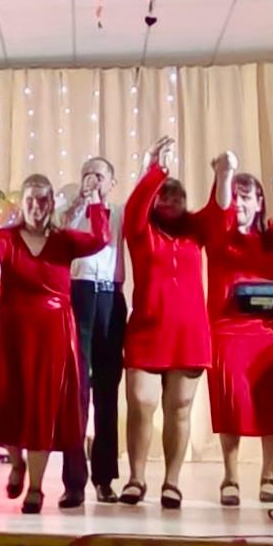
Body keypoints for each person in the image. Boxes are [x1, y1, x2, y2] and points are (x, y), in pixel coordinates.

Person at [0, 174, 110, 514]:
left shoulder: (63, 240)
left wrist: (94, 200)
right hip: (11, 331)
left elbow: (100, 239)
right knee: (7, 400)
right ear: (22, 203)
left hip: (52, 333)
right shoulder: (9, 236)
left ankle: (35, 487)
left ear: (51, 203)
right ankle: (16, 461)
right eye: (31, 199)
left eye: (43, 199)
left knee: (41, 406)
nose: (36, 206)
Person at [120, 136, 213, 510]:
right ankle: (136, 477)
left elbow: (218, 213)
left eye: (178, 196)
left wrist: (223, 175)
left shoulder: (196, 232)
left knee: (180, 407)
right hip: (147, 329)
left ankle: (172, 482)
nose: (171, 201)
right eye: (165, 195)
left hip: (189, 333)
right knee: (141, 402)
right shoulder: (140, 231)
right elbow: (135, 206)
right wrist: (155, 170)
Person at [204, 151, 273, 506]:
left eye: (247, 197)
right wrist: (223, 175)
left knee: (270, 402)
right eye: (236, 197)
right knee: (230, 403)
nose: (241, 203)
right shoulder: (218, 233)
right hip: (227, 328)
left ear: (260, 202)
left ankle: (268, 472)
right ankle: (230, 475)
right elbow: (218, 204)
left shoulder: (270, 235)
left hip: (267, 329)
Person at [57, 157, 126, 507]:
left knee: (107, 391)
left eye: (100, 175)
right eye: (87, 174)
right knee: (76, 390)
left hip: (111, 296)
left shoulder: (120, 213)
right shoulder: (69, 206)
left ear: (112, 182)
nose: (93, 180)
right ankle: (73, 480)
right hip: (79, 292)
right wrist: (81, 200)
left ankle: (105, 477)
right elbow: (60, 228)